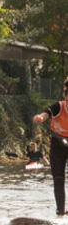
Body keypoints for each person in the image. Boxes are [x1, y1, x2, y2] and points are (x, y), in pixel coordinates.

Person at [33, 80, 68, 217]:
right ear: (66, 97)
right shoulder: (59, 106)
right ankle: (60, 213)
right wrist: (40, 117)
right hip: (57, 146)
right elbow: (46, 113)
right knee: (58, 179)